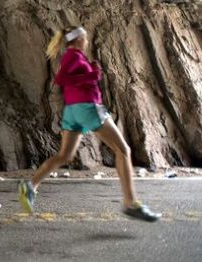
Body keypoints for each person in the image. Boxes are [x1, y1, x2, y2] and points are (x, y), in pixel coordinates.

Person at [18, 26, 161, 222]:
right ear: (78, 40)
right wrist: (92, 75)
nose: (86, 42)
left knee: (64, 155)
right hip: (88, 108)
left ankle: (30, 186)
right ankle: (131, 203)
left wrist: (90, 71)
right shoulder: (73, 56)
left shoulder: (74, 57)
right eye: (85, 39)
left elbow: (70, 78)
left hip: (73, 111)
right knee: (123, 151)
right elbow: (61, 78)